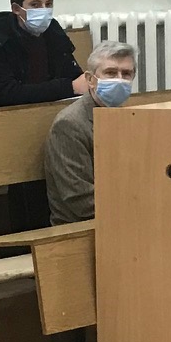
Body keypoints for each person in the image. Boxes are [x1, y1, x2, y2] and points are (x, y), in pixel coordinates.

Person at [44, 40, 137, 224]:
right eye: (110, 73)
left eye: (126, 74)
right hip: (82, 226)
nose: (119, 80)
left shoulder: (127, 116)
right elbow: (80, 200)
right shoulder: (69, 125)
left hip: (122, 215)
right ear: (90, 79)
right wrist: (140, 208)